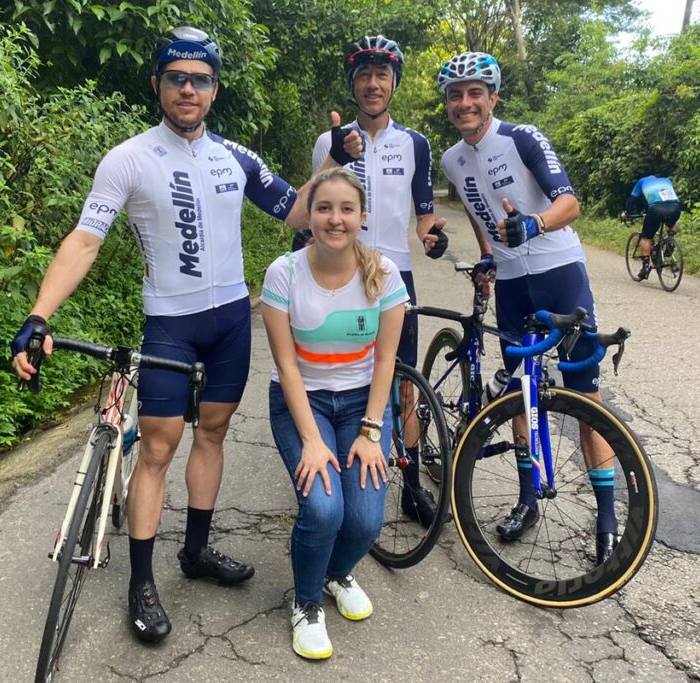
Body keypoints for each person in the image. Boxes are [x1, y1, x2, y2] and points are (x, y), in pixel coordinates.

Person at [9, 26, 362, 644]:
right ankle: (140, 582)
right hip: (169, 324)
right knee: (157, 448)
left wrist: (332, 161)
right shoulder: (128, 158)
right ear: (158, 85)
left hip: (230, 321)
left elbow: (300, 213)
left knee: (215, 433)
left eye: (200, 79)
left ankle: (194, 552)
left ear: (214, 88)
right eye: (177, 78)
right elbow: (86, 239)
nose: (188, 89)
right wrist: (41, 314)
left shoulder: (236, 156)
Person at [437, 52, 618, 566]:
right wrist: (490, 257)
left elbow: (569, 202)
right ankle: (525, 497)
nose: (466, 102)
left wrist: (535, 223)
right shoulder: (451, 159)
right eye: (456, 95)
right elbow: (477, 213)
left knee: (584, 390)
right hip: (514, 285)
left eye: (476, 93)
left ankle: (606, 516)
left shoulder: (522, 137)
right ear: (448, 104)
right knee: (519, 388)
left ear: (493, 98)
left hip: (560, 273)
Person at [262, 168, 406, 659]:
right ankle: (306, 603)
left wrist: (371, 430)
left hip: (362, 404)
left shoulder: (385, 274)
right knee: (324, 509)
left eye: (347, 209)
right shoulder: (283, 273)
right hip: (302, 402)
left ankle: (335, 574)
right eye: (324, 208)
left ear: (362, 217)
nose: (335, 219)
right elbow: (286, 363)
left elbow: (386, 360)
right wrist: (313, 440)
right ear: (309, 216)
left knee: (365, 520)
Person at [307, 34, 448, 528]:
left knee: (402, 381)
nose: (372, 84)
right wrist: (338, 158)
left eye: (381, 75)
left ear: (393, 84)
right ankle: (331, 467)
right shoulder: (330, 141)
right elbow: (313, 214)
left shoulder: (415, 144)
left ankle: (409, 485)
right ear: (353, 83)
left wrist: (434, 240)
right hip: (339, 268)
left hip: (393, 274)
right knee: (338, 374)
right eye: (363, 75)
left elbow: (424, 218)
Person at [620, 175, 681, 280]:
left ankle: (645, 268)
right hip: (675, 207)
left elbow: (632, 200)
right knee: (670, 224)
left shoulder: (641, 182)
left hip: (656, 208)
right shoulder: (666, 180)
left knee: (646, 237)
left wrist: (626, 213)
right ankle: (670, 240)